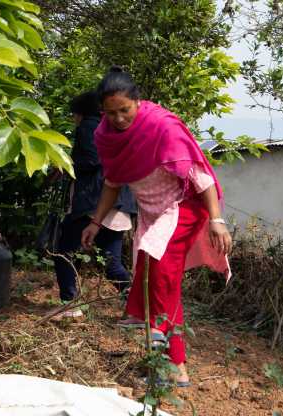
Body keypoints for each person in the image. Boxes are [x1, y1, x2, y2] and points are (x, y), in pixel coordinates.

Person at [81, 67, 232, 387]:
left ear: (137, 101)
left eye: (125, 110)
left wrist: (217, 221)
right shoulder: (105, 136)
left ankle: (167, 363)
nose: (119, 118)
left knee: (159, 273)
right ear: (102, 112)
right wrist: (96, 222)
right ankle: (169, 364)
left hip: (182, 209)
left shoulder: (161, 126)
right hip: (150, 215)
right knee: (158, 281)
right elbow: (112, 183)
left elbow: (200, 177)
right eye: (111, 113)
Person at [50, 91, 137, 320]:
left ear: (80, 112)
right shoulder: (112, 128)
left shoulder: (89, 126)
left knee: (64, 253)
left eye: (74, 115)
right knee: (112, 263)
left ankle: (69, 305)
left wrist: (65, 163)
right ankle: (141, 308)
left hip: (92, 203)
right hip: (118, 203)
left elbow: (91, 160)